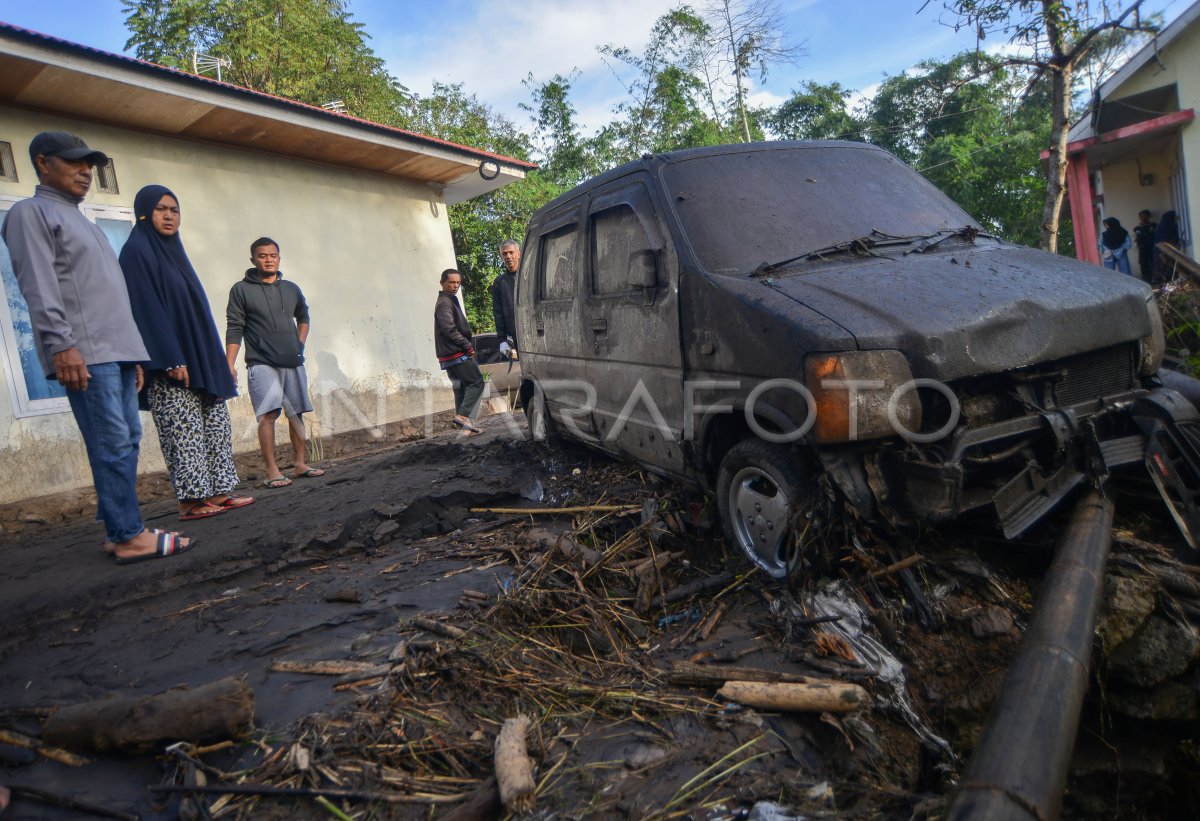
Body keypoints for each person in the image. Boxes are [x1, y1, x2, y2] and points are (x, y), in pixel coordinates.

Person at [0, 131, 191, 563]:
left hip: (116, 351)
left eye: (90, 164)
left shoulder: (83, 222)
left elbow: (108, 295)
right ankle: (128, 536)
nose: (86, 171)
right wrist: (61, 345)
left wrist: (133, 353)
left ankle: (120, 528)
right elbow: (38, 285)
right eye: (74, 162)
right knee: (112, 442)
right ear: (43, 163)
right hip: (85, 352)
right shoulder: (31, 214)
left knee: (125, 438)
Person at [119, 185, 254, 520]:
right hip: (170, 362)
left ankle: (220, 492)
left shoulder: (173, 252)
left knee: (215, 421)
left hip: (198, 358)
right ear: (144, 212)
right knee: (184, 429)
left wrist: (214, 364)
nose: (169, 216)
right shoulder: (137, 251)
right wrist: (169, 358)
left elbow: (193, 312)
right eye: (161, 209)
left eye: (174, 210)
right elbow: (144, 310)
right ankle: (191, 502)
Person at [225, 237, 323, 488]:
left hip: (292, 361)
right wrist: (230, 363)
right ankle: (272, 471)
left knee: (296, 414)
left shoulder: (291, 288)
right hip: (261, 362)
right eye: (262, 256)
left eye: (273, 255)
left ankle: (301, 464)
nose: (268, 259)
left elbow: (304, 316)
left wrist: (299, 344)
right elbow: (235, 327)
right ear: (253, 260)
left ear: (279, 258)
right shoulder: (241, 289)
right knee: (267, 415)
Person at [435, 268, 485, 434]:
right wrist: (467, 345)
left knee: (461, 387)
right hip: (455, 352)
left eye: (458, 283)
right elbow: (448, 328)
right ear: (442, 283)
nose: (455, 286)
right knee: (477, 381)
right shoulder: (444, 303)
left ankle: (466, 428)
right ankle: (463, 417)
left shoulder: (448, 300)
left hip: (448, 354)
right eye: (451, 282)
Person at [491, 239, 520, 357]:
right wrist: (502, 340)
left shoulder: (529, 275)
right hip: (517, 338)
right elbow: (498, 312)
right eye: (504, 254)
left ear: (519, 254)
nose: (508, 256)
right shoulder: (499, 282)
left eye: (511, 252)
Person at [1153, 210, 1181, 284]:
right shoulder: (1171, 225)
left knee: (1162, 266)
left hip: (1160, 249)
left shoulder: (1161, 225)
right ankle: (1169, 280)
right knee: (1168, 265)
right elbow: (1174, 238)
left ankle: (1163, 280)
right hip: (1167, 249)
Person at [1133, 209, 1157, 281]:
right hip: (1142, 249)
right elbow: (1135, 238)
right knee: (1143, 263)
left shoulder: (1154, 226)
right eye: (1141, 216)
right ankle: (1146, 279)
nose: (1143, 218)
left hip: (1152, 248)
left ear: (1148, 216)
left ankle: (1154, 278)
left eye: (1145, 216)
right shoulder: (1137, 228)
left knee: (1153, 263)